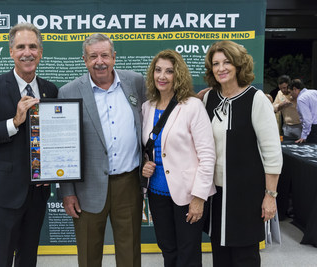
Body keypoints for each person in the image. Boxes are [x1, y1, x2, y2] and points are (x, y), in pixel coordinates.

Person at [0, 23, 58, 267]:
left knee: (28, 256)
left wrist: (53, 166)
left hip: (38, 192)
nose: (27, 52)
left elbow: (56, 138)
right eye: (20, 47)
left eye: (32, 46)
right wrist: (14, 122)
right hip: (4, 193)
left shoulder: (50, 90)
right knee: (1, 257)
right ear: (11, 52)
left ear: (40, 52)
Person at [58, 33, 146, 267]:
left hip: (128, 184)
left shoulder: (136, 82)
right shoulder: (68, 92)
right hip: (87, 187)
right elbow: (62, 145)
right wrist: (67, 191)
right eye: (93, 56)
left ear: (114, 57)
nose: (100, 61)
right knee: (88, 255)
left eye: (105, 55)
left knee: (130, 254)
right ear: (84, 60)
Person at [203, 40, 282, 267]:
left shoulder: (256, 99)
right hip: (216, 195)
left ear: (238, 64)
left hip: (246, 196)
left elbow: (272, 153)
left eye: (227, 62)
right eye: (216, 63)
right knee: (221, 256)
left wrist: (270, 195)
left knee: (245, 257)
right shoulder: (209, 98)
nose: (221, 68)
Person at [141, 49, 216, 266]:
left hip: (188, 194)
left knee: (188, 253)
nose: (162, 76)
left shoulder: (193, 106)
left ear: (178, 75)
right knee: (168, 249)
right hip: (157, 192)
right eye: (158, 70)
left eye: (169, 71)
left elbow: (207, 155)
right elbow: (149, 147)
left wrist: (199, 197)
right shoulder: (147, 107)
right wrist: (145, 165)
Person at [272, 75, 302, 139]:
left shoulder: (295, 93)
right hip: (286, 127)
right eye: (281, 88)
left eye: (284, 88)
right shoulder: (279, 93)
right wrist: (280, 106)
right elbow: (273, 107)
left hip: (299, 125)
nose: (283, 90)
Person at [288, 79, 317, 143]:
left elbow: (307, 120)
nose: (290, 95)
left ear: (295, 89)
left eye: (290, 92)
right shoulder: (314, 92)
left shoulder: (301, 99)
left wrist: (304, 136)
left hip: (313, 129)